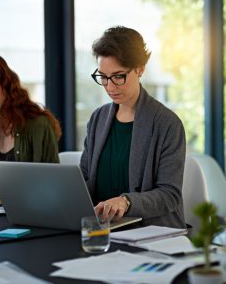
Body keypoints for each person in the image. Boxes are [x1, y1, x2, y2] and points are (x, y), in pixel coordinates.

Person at [80, 26, 186, 229]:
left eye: (118, 76)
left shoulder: (167, 124)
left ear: (140, 69)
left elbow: (169, 195)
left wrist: (126, 202)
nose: (110, 87)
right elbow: (84, 178)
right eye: (103, 77)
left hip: (148, 232)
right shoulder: (98, 119)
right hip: (101, 229)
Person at [0, 51, 61, 204]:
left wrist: (13, 191)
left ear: (6, 86)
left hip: (33, 213)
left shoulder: (38, 123)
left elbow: (53, 183)